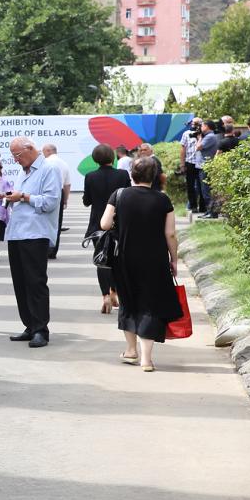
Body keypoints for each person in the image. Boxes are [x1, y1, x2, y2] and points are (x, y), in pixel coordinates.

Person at [100, 156, 181, 372]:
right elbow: (170, 234)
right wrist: (174, 259)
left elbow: (105, 224)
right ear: (154, 176)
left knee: (129, 302)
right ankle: (146, 359)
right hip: (155, 260)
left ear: (131, 175)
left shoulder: (119, 195)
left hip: (125, 258)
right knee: (150, 305)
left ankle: (130, 350)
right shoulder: (162, 199)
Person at [1, 137, 62, 348]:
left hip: (36, 234)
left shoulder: (48, 169)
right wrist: (11, 197)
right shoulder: (23, 170)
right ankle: (29, 324)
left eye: (17, 155)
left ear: (29, 149)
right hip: (17, 233)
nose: (15, 160)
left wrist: (24, 197)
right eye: (13, 156)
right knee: (20, 283)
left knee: (35, 282)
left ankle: (40, 330)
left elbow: (51, 202)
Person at [82, 144, 130, 314]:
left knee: (102, 260)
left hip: (97, 225)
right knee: (117, 260)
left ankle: (105, 296)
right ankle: (114, 291)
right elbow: (128, 195)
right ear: (113, 157)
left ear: (95, 159)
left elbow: (87, 201)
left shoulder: (90, 177)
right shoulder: (123, 175)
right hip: (119, 223)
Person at [41, 144, 72, 258]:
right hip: (60, 192)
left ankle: (44, 248)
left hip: (46, 191)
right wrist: (65, 200)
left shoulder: (45, 162)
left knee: (44, 221)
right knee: (57, 223)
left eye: (43, 151)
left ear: (48, 151)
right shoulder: (64, 163)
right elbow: (67, 184)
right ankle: (53, 251)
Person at [179, 118, 204, 213]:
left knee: (202, 185)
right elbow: (182, 149)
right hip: (190, 162)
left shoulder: (204, 134)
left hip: (201, 163)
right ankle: (193, 206)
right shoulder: (186, 134)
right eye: (193, 123)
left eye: (197, 123)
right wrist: (182, 164)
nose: (195, 125)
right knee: (190, 186)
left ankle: (203, 207)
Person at [197, 120, 220, 217]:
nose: (201, 128)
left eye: (202, 126)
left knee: (206, 191)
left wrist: (199, 138)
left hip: (206, 166)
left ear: (207, 126)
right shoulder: (208, 136)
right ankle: (209, 211)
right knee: (205, 190)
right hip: (205, 166)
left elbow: (198, 147)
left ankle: (212, 213)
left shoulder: (210, 136)